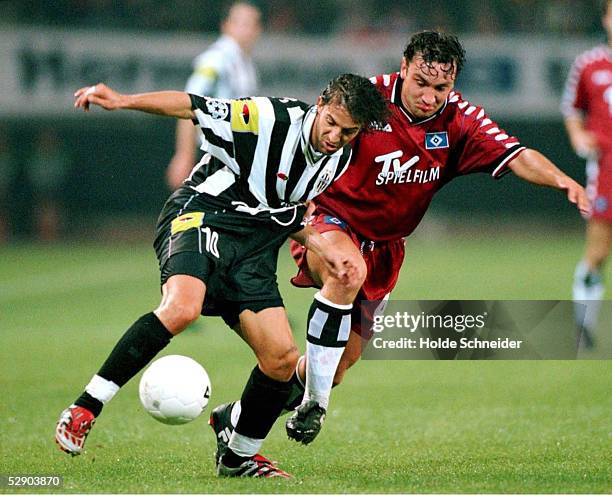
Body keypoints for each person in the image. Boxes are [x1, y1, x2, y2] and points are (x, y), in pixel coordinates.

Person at [210, 30, 591, 449]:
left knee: (337, 365)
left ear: (453, 84)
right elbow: (311, 130)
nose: (430, 97)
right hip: (330, 222)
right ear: (404, 68)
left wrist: (563, 182)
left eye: (441, 87)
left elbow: (517, 155)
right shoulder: (367, 101)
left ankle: (239, 416)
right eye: (421, 84)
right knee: (346, 270)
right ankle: (314, 405)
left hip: (387, 248)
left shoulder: (460, 121)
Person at [54, 74, 388, 478]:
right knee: (182, 308)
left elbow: (284, 209)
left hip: (256, 246)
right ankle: (85, 407)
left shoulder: (341, 158)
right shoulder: (268, 117)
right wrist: (123, 100)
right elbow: (191, 105)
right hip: (204, 214)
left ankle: (237, 457)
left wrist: (319, 245)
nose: (335, 136)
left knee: (281, 360)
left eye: (348, 131)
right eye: (331, 122)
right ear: (320, 103)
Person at [166, 2, 261, 190]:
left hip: (230, 156)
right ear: (225, 25)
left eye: (251, 23)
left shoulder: (244, 63)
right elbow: (188, 102)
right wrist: (184, 154)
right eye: (240, 22)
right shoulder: (215, 60)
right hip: (210, 153)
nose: (246, 29)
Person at [562, 0, 612, 348]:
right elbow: (572, 107)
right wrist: (579, 136)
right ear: (607, 20)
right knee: (598, 250)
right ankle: (584, 325)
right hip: (607, 168)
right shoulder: (589, 64)